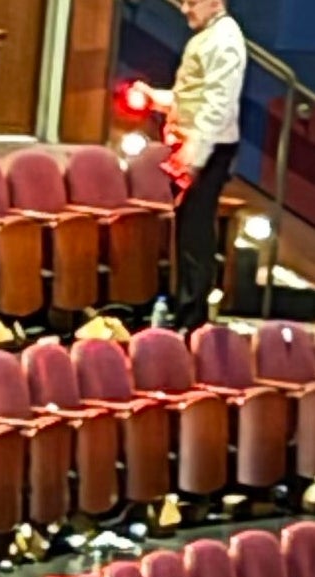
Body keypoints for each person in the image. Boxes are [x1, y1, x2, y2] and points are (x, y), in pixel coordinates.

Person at [134, 0, 247, 332]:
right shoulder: (206, 36)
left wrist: (193, 158)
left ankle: (191, 320)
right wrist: (157, 98)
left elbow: (217, 108)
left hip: (206, 151)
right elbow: (192, 96)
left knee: (195, 238)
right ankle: (186, 314)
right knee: (187, 235)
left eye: (192, 2)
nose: (184, 10)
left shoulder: (225, 40)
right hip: (193, 146)